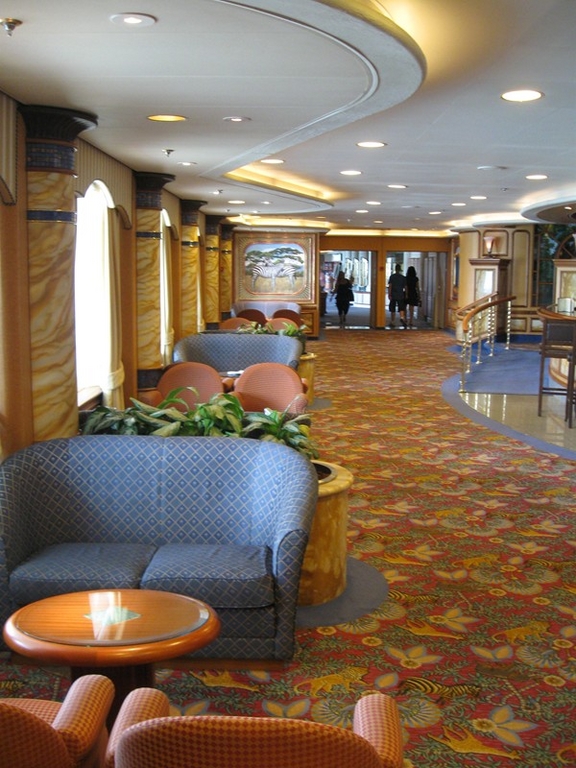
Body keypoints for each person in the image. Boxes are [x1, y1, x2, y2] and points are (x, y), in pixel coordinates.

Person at [387, 263, 407, 328]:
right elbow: (405, 287)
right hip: (400, 294)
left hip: (393, 294)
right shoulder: (403, 277)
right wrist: (406, 294)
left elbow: (390, 286)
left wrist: (389, 294)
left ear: (395, 269)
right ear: (400, 269)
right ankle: (402, 317)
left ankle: (393, 321)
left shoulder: (392, 277)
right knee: (401, 307)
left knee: (392, 308)